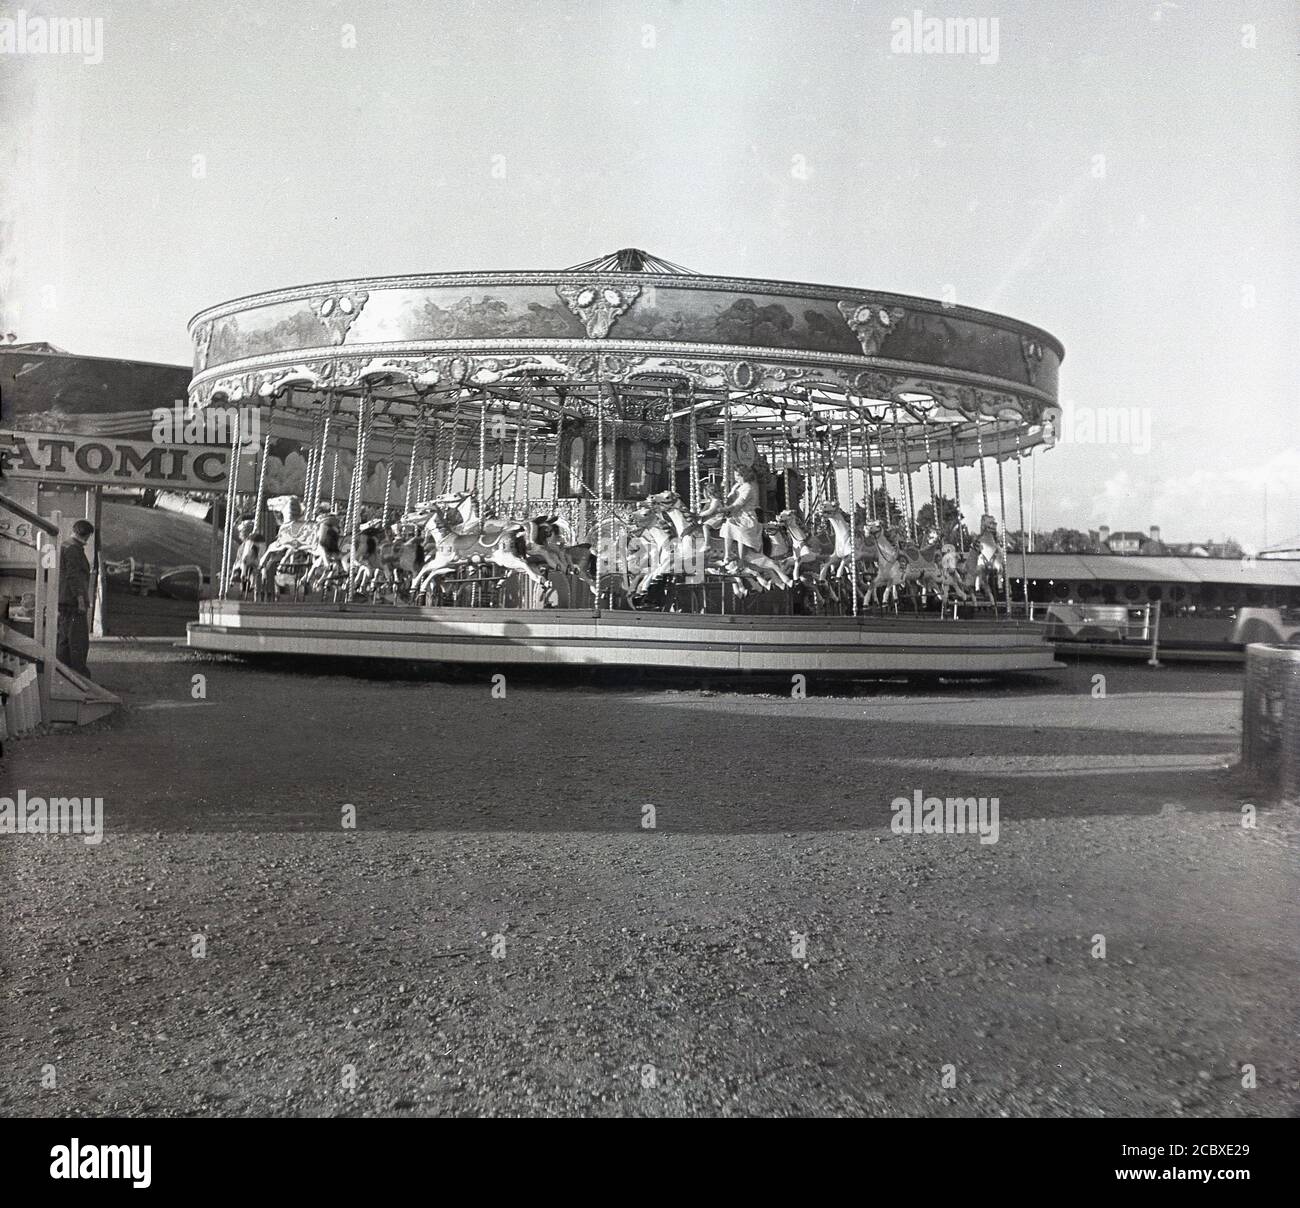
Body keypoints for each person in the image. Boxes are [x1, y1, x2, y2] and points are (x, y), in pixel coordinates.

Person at [57, 519, 95, 677]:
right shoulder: (73, 549)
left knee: (65, 641)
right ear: (86, 536)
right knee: (78, 642)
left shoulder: (66, 545)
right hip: (73, 602)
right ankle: (81, 678)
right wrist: (80, 600)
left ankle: (64, 676)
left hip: (65, 601)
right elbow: (74, 576)